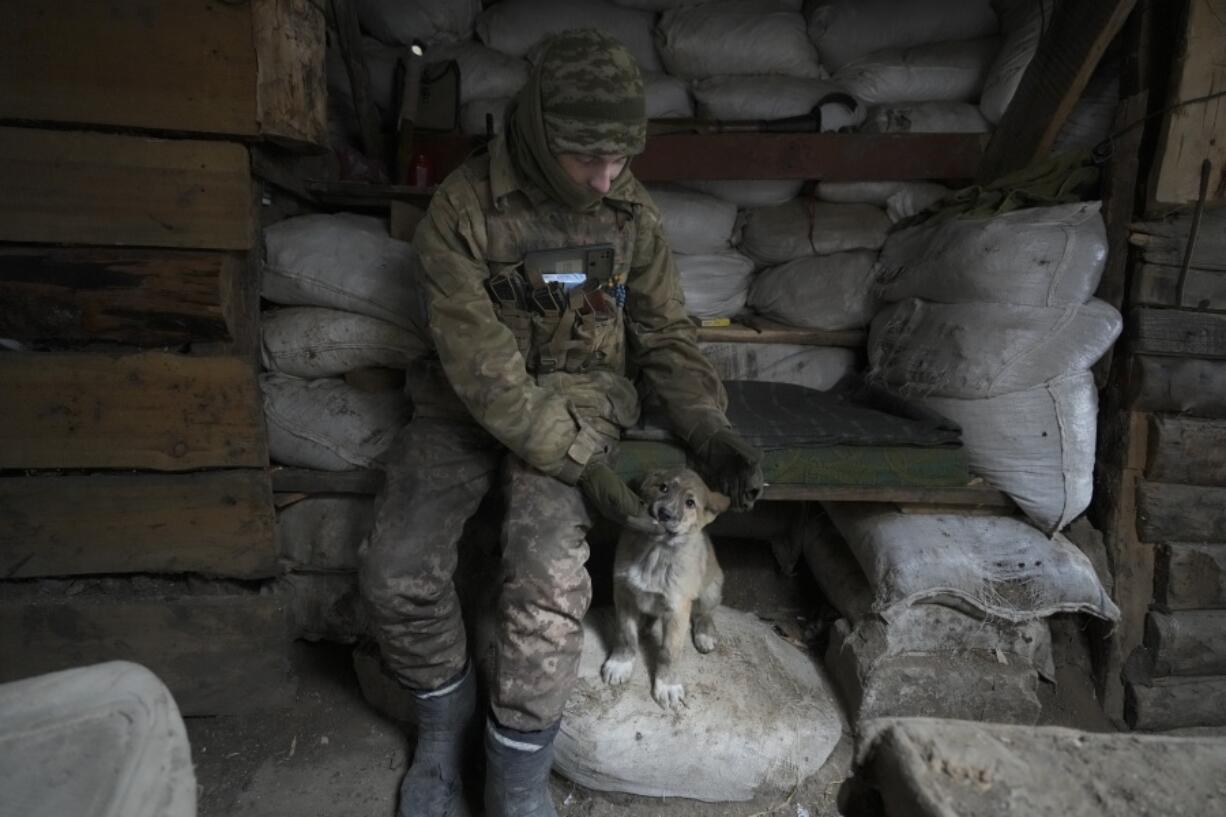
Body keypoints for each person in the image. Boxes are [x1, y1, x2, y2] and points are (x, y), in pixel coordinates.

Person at [358, 29, 764, 817]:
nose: (605, 177)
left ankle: (516, 778)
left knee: (547, 584)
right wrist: (583, 463)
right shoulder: (461, 213)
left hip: (581, 401)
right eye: (587, 158)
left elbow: (666, 335)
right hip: (465, 411)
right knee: (394, 572)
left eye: (619, 159)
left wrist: (710, 428)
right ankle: (444, 726)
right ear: (537, 129)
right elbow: (482, 369)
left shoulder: (629, 211)